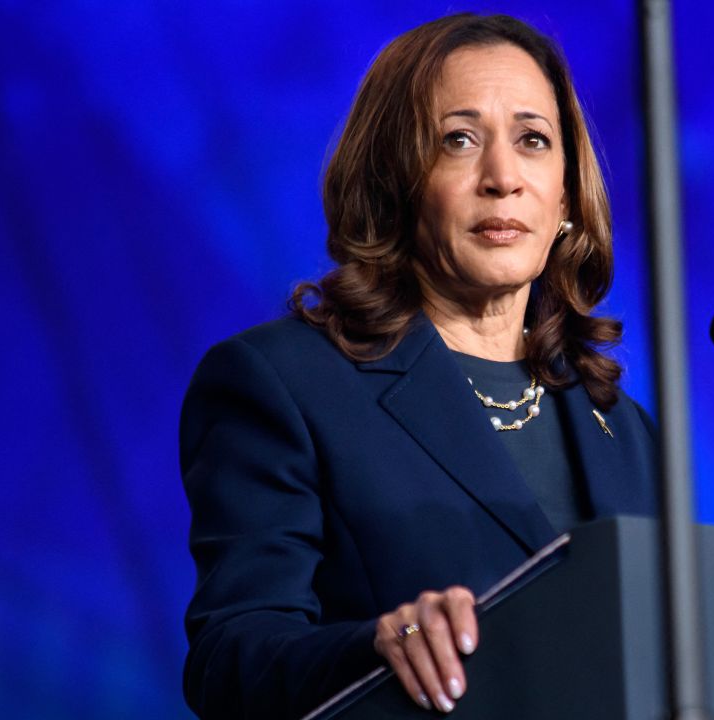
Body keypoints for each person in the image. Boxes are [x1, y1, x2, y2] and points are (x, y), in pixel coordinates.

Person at [180, 13, 657, 719]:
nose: (503, 178)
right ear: (393, 181)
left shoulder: (623, 426)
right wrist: (374, 646)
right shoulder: (281, 383)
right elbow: (231, 659)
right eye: (458, 140)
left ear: (565, 194)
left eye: (533, 140)